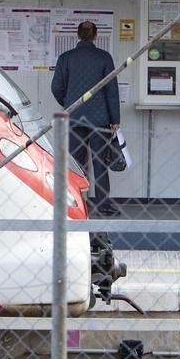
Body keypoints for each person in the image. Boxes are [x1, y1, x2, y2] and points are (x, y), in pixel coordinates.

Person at [51, 21, 121, 216]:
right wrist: (115, 119)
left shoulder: (66, 58)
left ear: (78, 35)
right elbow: (112, 91)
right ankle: (103, 205)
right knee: (100, 162)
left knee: (76, 162)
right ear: (95, 35)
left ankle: (76, 202)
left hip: (74, 118)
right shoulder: (104, 58)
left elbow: (56, 87)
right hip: (100, 120)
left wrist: (69, 103)